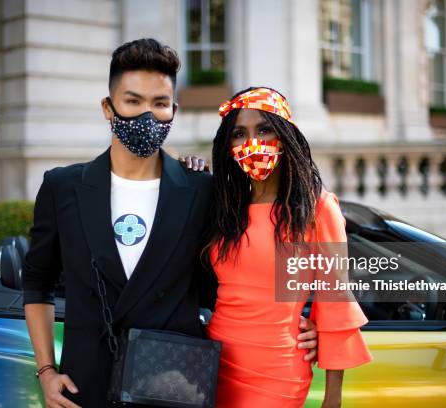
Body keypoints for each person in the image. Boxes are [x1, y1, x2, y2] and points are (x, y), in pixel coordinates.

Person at [22, 39, 319, 408]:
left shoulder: (205, 191)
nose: (147, 115)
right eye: (133, 101)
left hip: (173, 385)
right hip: (85, 387)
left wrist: (307, 319)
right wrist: (46, 370)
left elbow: (250, 260)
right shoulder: (62, 186)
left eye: (159, 104)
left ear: (173, 110)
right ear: (107, 107)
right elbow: (37, 283)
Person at [197, 87, 374, 408]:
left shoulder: (317, 208)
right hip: (211, 362)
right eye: (240, 133)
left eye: (264, 129)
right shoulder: (224, 205)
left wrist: (332, 399)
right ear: (228, 145)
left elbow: (335, 300)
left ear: (285, 136)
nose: (253, 141)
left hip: (276, 370)